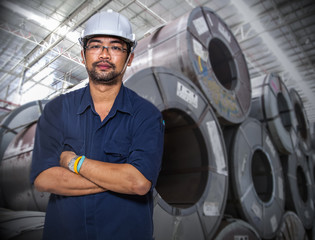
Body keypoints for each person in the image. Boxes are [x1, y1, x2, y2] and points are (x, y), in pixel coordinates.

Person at [30, 10, 164, 240]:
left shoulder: (147, 115)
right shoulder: (57, 110)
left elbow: (138, 182)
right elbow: (44, 179)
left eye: (115, 47)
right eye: (95, 46)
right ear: (83, 55)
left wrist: (73, 161)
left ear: (129, 58)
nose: (104, 54)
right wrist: (117, 179)